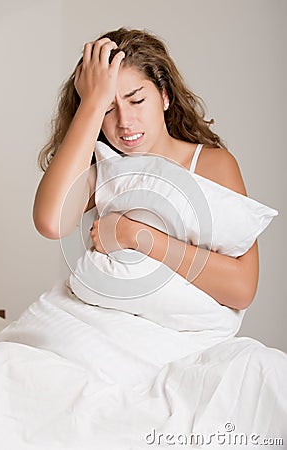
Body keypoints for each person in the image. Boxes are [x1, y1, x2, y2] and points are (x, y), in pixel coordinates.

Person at [33, 27, 259, 311]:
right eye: (107, 109)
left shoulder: (213, 164)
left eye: (136, 100)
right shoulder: (100, 169)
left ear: (164, 95)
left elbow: (241, 290)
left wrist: (135, 235)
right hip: (103, 325)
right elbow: (51, 222)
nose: (125, 121)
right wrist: (92, 101)